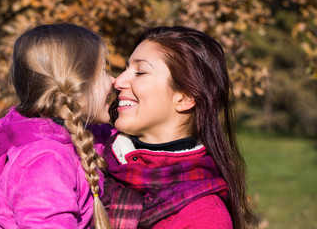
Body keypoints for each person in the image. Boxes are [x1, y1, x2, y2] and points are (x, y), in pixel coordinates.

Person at [0, 23, 115, 228]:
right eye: (103, 71)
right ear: (75, 84)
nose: (114, 80)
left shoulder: (78, 142)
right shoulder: (44, 160)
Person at [101, 26, 257, 229]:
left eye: (140, 72)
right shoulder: (89, 154)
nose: (118, 81)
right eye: (126, 69)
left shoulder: (205, 217)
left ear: (184, 98)